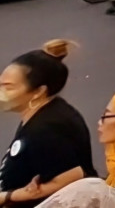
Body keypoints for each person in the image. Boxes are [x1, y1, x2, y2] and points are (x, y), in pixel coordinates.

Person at [0, 41, 95, 208]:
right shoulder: (45, 112)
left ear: (38, 92)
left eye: (8, 87)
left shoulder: (46, 130)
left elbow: (72, 176)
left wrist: (10, 196)